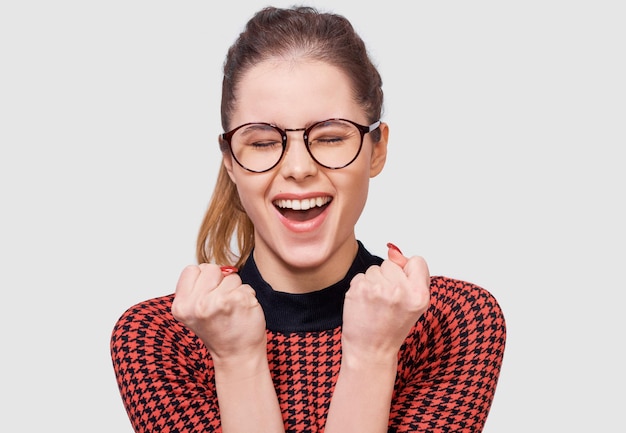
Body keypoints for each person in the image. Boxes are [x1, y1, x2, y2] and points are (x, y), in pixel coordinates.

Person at [110, 5, 506, 433]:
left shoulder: (453, 321)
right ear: (230, 162)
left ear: (377, 150)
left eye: (331, 136)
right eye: (262, 142)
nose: (298, 168)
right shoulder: (159, 338)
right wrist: (236, 360)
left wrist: (370, 354)